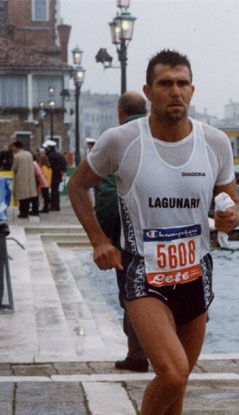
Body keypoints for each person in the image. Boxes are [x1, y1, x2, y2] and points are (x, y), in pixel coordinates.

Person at [68, 50, 239, 415]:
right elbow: (77, 186)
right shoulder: (123, 141)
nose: (175, 92)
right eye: (164, 84)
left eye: (182, 83)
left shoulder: (215, 142)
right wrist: (100, 241)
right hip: (144, 274)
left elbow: (231, 202)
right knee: (172, 372)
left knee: (177, 389)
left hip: (195, 274)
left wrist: (229, 214)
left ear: (192, 89)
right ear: (147, 92)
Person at [93, 91, 150, 372]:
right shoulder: (161, 134)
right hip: (163, 235)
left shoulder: (115, 140)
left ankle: (138, 355)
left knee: (132, 293)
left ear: (120, 112)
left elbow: (105, 196)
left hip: (127, 238)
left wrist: (107, 237)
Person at [10, 140, 38, 218]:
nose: (13, 149)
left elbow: (14, 168)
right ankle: (31, 211)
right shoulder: (29, 154)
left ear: (16, 147)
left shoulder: (17, 156)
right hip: (30, 178)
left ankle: (23, 213)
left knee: (22, 197)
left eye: (13, 147)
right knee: (29, 195)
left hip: (21, 178)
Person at [46, 140, 66, 212]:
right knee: (55, 191)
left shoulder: (51, 155)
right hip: (57, 175)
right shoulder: (59, 155)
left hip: (53, 175)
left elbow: (51, 165)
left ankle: (54, 206)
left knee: (54, 191)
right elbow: (64, 163)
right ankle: (56, 205)